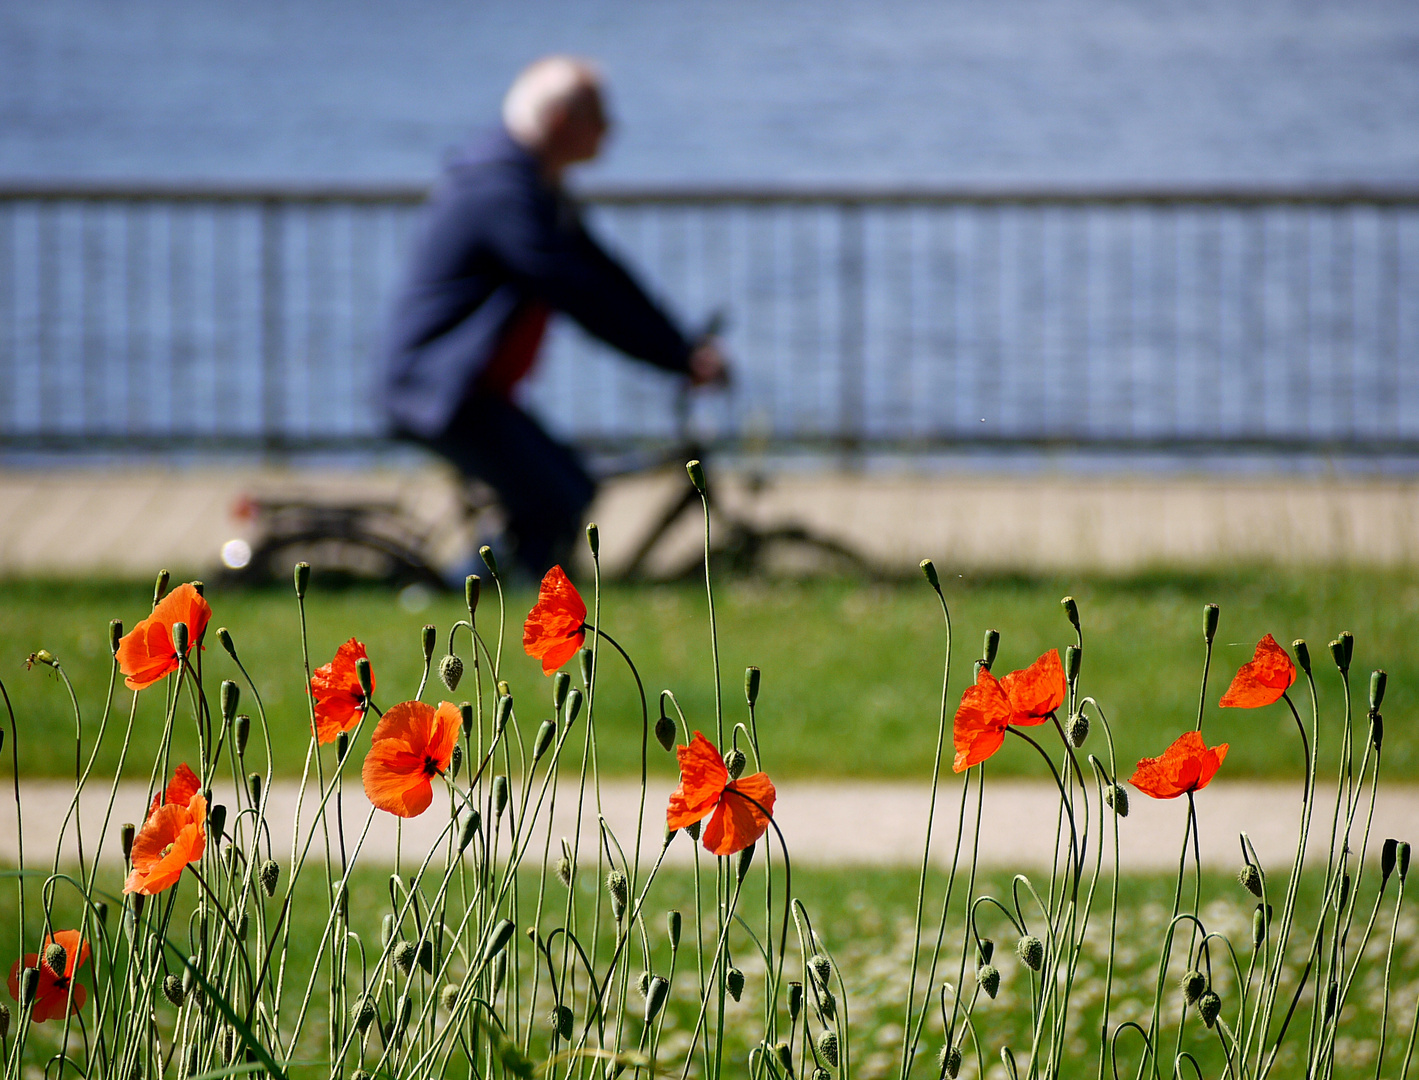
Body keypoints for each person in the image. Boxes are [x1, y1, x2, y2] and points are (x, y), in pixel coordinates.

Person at [382, 56, 726, 578]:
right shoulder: (503, 192)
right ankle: (481, 612)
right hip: (441, 391)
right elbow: (580, 291)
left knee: (570, 487)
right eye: (600, 115)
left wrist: (680, 346)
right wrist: (675, 357)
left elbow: (602, 274)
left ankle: (495, 595)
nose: (611, 129)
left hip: (465, 390)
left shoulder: (528, 184)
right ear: (563, 121)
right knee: (558, 497)